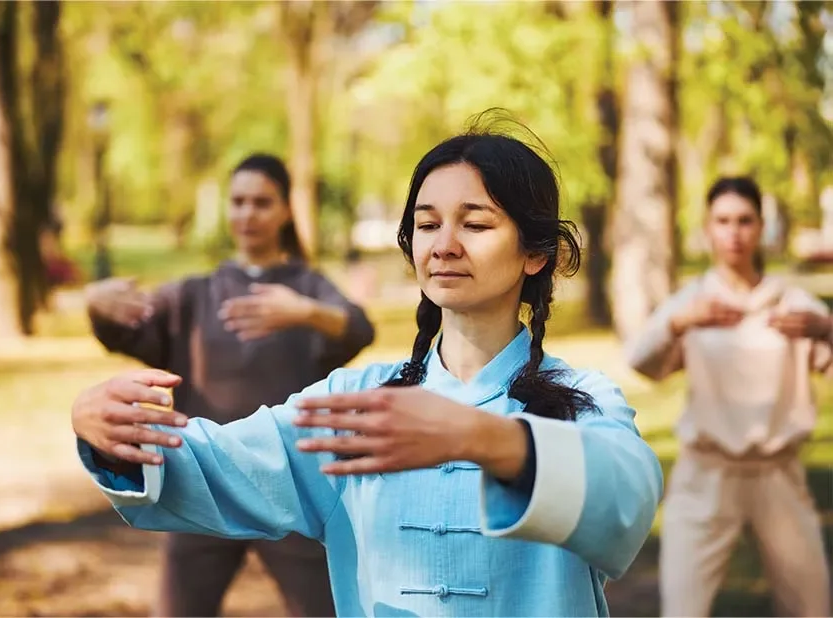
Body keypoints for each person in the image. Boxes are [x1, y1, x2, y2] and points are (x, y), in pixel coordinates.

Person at [74, 120, 663, 617]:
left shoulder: (580, 399)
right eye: (428, 224)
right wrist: (113, 434)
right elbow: (223, 467)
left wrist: (488, 440)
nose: (445, 245)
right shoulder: (356, 400)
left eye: (476, 224)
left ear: (536, 253)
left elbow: (627, 501)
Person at [83, 153, 375, 618]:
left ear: (284, 211)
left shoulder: (306, 287)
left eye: (262, 202)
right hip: (203, 479)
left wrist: (307, 313)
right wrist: (96, 303)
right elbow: (124, 328)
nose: (247, 214)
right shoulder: (195, 294)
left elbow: (360, 328)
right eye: (238, 202)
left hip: (292, 485)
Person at [625, 176, 832, 617]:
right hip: (707, 474)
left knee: (813, 608)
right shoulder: (694, 302)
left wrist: (828, 330)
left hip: (779, 474)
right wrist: (680, 324)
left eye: (744, 220)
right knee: (683, 608)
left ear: (760, 226)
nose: (733, 233)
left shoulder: (794, 305)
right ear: (708, 227)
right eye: (722, 221)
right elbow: (641, 361)